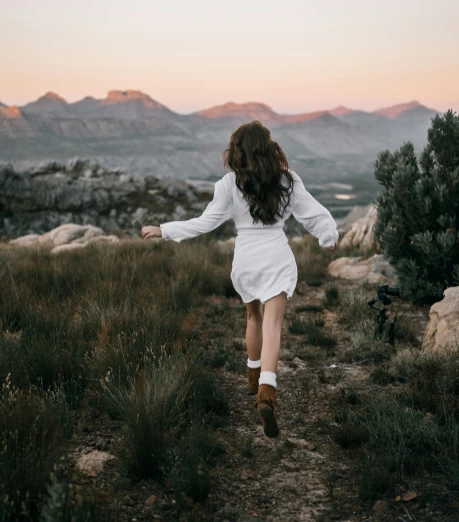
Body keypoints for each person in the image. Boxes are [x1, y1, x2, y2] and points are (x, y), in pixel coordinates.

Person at [141, 120, 338, 438]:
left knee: (253, 317)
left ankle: (252, 369)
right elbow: (313, 212)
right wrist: (328, 236)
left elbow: (203, 223)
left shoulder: (228, 185)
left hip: (246, 259)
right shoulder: (286, 181)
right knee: (274, 325)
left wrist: (163, 230)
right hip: (276, 255)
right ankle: (266, 391)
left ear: (237, 151)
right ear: (268, 148)